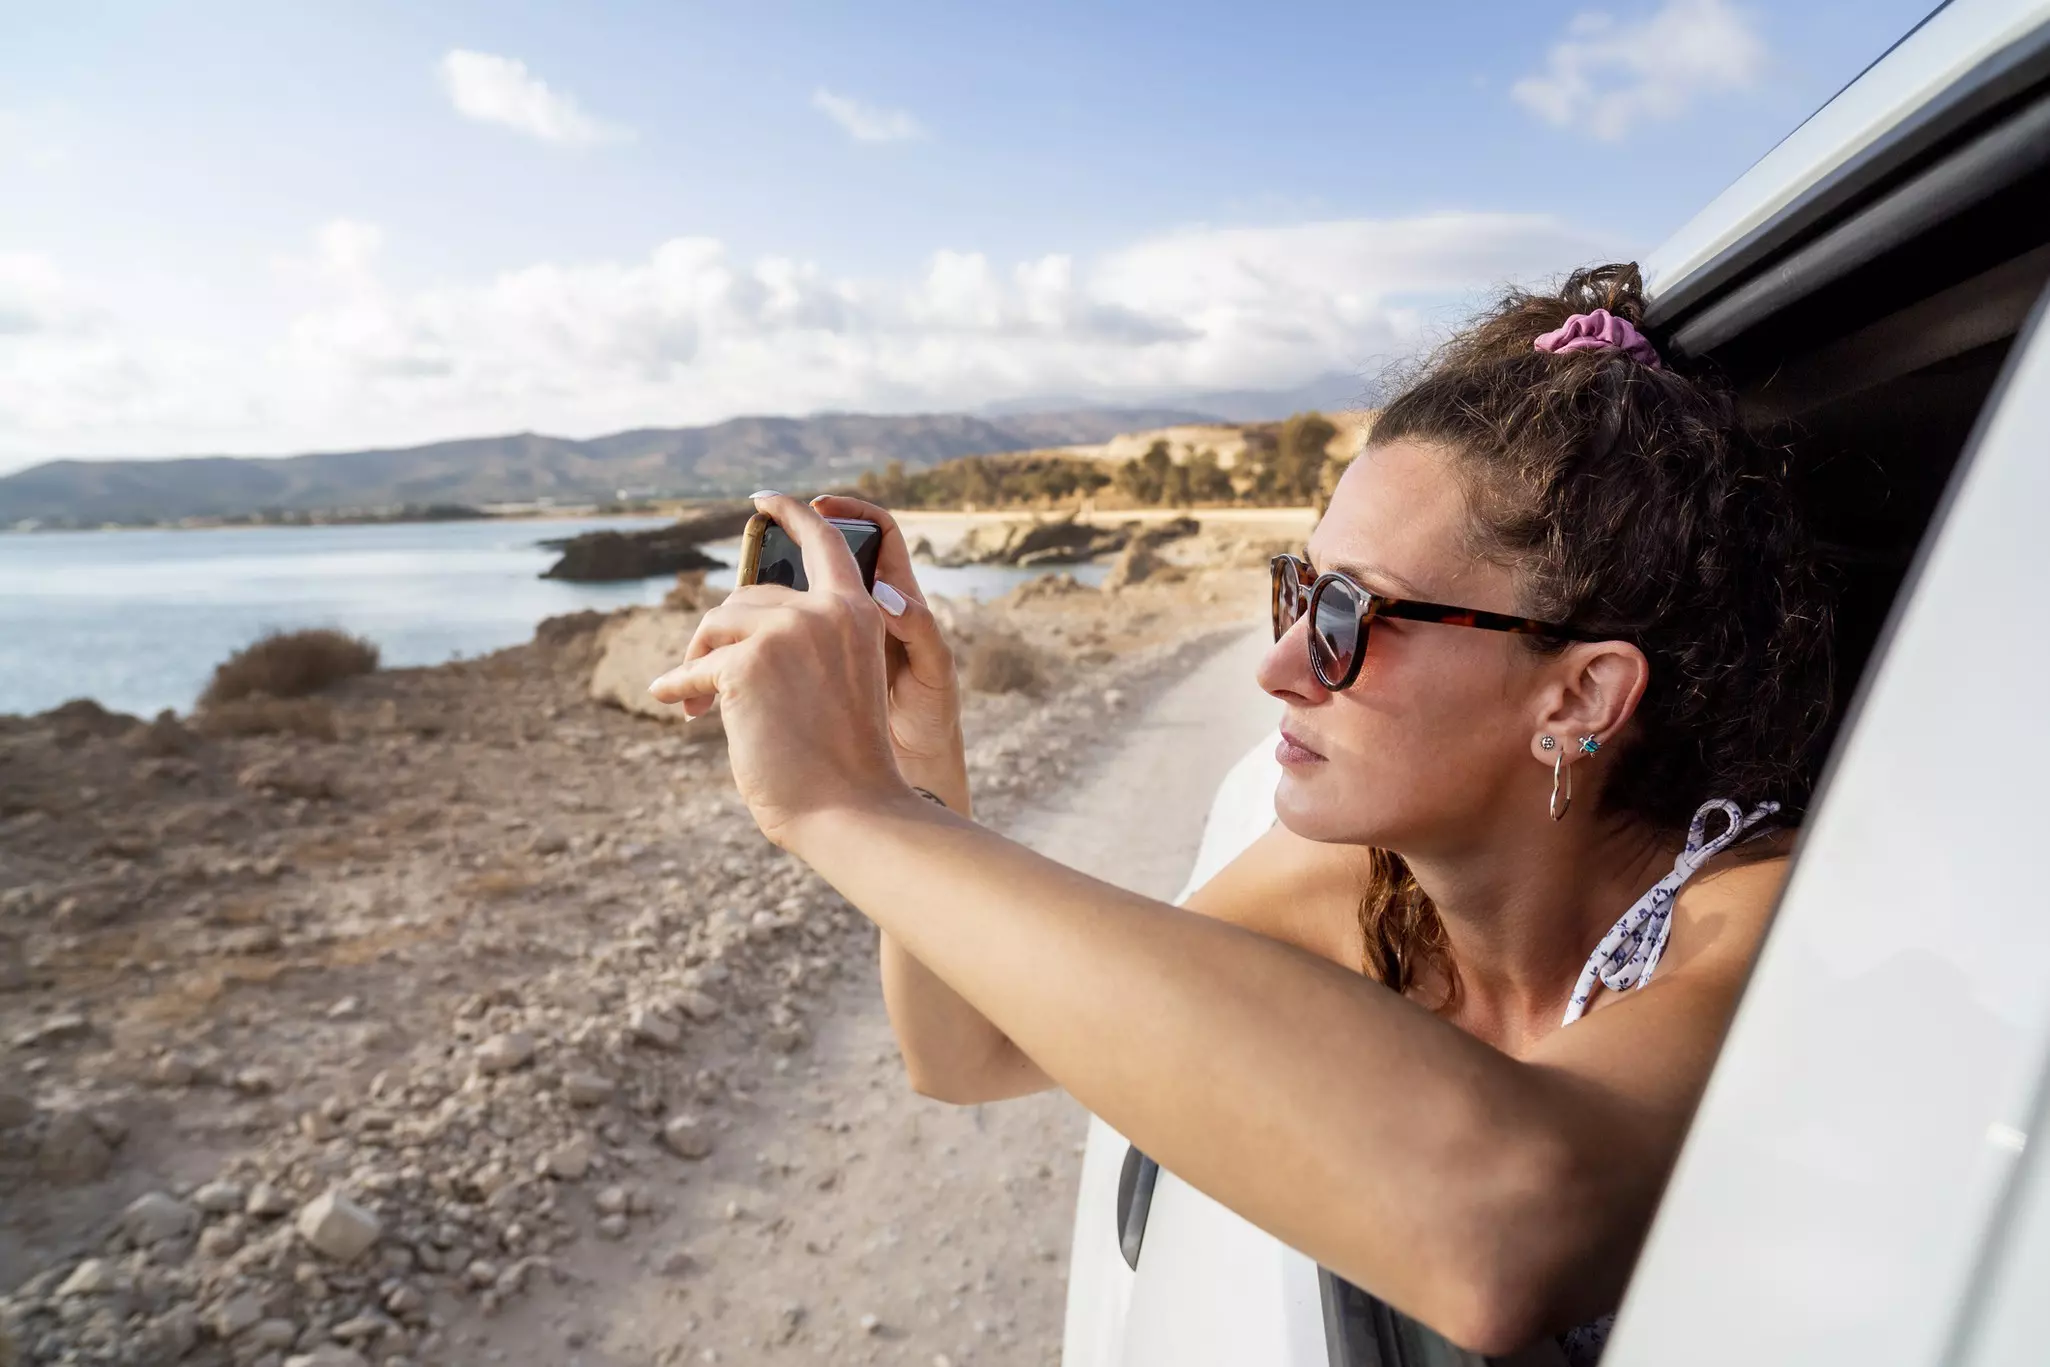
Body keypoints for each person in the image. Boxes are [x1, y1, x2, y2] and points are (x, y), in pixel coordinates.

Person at [649, 263, 1834, 1360]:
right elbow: (969, 1047)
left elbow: (1505, 1229)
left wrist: (842, 805)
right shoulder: (1362, 884)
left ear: (1578, 694)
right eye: (1295, 589)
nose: (1275, 666)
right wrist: (911, 768)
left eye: (1346, 619)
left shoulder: (1775, 927)